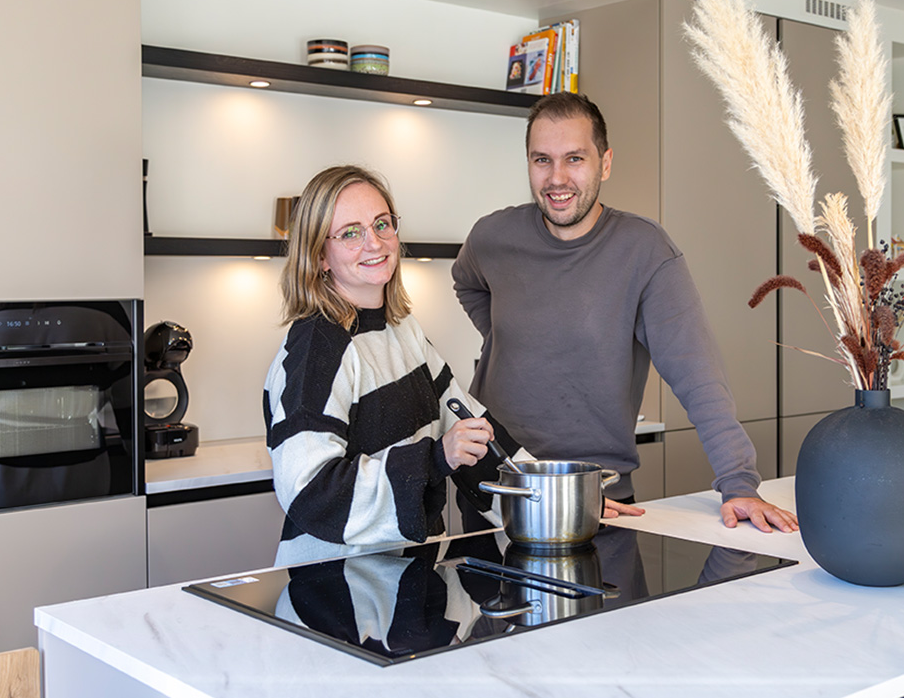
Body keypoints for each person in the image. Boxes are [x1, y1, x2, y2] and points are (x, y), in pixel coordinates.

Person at [451, 93, 798, 533]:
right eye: (542, 160)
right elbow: (467, 283)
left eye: (574, 158)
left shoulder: (645, 251)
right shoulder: (492, 236)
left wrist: (739, 482)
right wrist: (503, 338)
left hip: (595, 499)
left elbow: (697, 375)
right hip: (493, 486)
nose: (557, 178)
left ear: (605, 162)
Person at [263, 165, 635, 566]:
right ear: (320, 255)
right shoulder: (317, 347)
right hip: (338, 586)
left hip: (406, 572)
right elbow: (309, 492)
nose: (374, 243)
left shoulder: (401, 329)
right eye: (350, 233)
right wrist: (437, 457)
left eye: (382, 224)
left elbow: (472, 428)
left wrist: (559, 500)